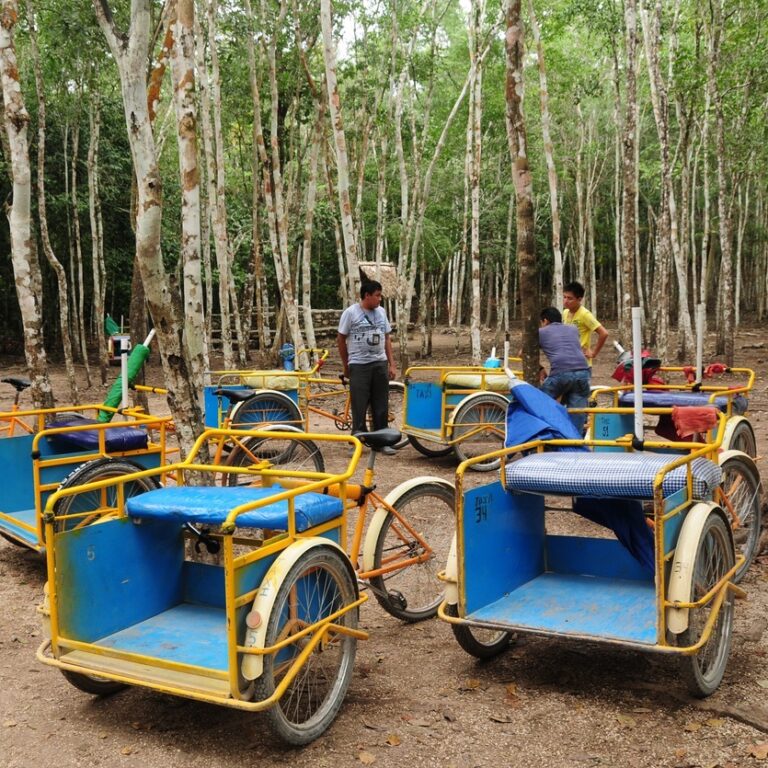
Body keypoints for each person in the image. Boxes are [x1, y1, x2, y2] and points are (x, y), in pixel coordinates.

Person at [337, 280, 397, 451]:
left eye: (380, 295)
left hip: (379, 363)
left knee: (380, 404)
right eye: (377, 295)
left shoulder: (381, 312)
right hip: (359, 365)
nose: (380, 299)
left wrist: (392, 364)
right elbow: (341, 339)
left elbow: (386, 338)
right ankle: (357, 442)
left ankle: (381, 442)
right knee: (359, 404)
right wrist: (346, 364)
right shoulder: (350, 313)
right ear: (367, 295)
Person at [538, 306, 591, 433]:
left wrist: (540, 368)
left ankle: (547, 436)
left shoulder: (541, 332)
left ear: (545, 321)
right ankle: (575, 444)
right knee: (577, 413)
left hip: (561, 374)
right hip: (584, 372)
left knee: (540, 403)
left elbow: (522, 353)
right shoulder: (573, 329)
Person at [562, 281, 609, 365]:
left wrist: (594, 353)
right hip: (567, 361)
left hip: (581, 364)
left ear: (579, 299)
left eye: (570, 298)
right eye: (564, 297)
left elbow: (604, 333)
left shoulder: (585, 314)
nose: (565, 301)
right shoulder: (565, 312)